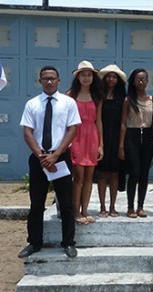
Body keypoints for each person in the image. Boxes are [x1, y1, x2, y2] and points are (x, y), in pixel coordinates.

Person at [18, 66, 81, 259]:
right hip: (39, 159)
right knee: (36, 203)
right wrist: (42, 157)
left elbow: (72, 130)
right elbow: (27, 132)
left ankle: (68, 242)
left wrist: (55, 155)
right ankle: (34, 242)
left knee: (66, 203)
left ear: (59, 81)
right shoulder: (32, 104)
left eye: (52, 78)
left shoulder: (68, 103)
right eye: (45, 78)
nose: (49, 81)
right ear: (40, 82)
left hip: (60, 158)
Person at [67, 60, 104, 225]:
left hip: (92, 137)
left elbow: (99, 122)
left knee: (89, 176)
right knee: (78, 176)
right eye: (83, 75)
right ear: (78, 77)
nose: (86, 78)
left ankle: (85, 209)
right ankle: (75, 211)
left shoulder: (97, 97)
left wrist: (101, 144)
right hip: (76, 136)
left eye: (89, 75)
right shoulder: (70, 96)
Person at [119, 69, 153, 218]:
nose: (141, 82)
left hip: (147, 137)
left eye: (144, 79)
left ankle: (141, 206)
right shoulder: (128, 100)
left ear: (147, 81)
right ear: (133, 82)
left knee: (144, 174)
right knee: (134, 173)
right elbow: (123, 123)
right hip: (131, 136)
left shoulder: (152, 100)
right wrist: (121, 146)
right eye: (138, 79)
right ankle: (130, 207)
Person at [96, 64, 127, 218]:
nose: (111, 79)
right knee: (102, 173)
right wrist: (100, 143)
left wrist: (121, 145)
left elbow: (123, 123)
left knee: (114, 173)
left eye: (114, 76)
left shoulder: (123, 98)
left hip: (117, 137)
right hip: (102, 136)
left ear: (118, 80)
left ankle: (113, 206)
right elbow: (98, 120)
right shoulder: (99, 96)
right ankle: (102, 206)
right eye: (108, 76)